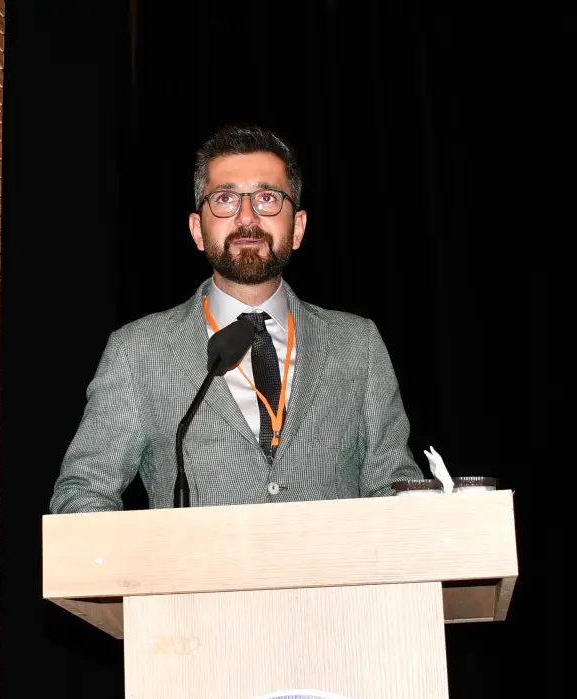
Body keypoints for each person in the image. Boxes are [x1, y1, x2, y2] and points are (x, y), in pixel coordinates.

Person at [50, 125, 422, 513]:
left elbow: (396, 489)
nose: (247, 217)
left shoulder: (358, 344)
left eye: (267, 198)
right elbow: (83, 493)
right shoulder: (137, 351)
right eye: (225, 198)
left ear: (297, 228)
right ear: (197, 229)